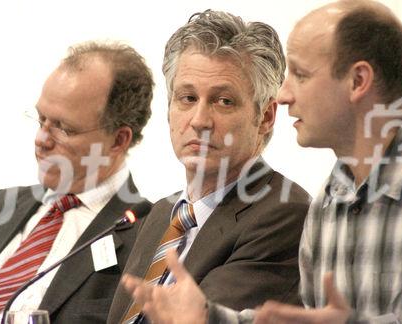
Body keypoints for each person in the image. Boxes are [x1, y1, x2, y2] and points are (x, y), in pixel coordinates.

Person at [120, 1, 402, 323]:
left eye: (302, 75)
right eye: (187, 98)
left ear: (358, 81)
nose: (285, 94)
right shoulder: (330, 202)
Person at [107, 10, 311, 324]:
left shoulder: (283, 213)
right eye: (187, 98)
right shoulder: (161, 214)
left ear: (266, 117)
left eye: (223, 101)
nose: (199, 120)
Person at [0, 41, 154, 323]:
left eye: (63, 128)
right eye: (41, 119)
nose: (41, 139)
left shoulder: (147, 236)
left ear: (118, 140)